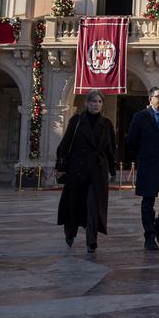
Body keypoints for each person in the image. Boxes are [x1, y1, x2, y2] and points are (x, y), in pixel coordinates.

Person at [56, 90, 116, 253]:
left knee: (93, 206)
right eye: (93, 101)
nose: (96, 104)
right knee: (74, 203)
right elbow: (65, 144)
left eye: (99, 102)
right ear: (86, 103)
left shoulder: (107, 124)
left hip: (98, 170)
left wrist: (112, 169)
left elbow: (111, 149)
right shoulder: (76, 121)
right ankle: (70, 231)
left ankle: (91, 240)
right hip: (77, 169)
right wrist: (60, 167)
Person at [126, 86, 159, 251]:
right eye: (158, 96)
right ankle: (149, 236)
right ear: (150, 99)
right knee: (148, 201)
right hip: (149, 165)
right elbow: (131, 141)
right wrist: (145, 154)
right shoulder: (140, 117)